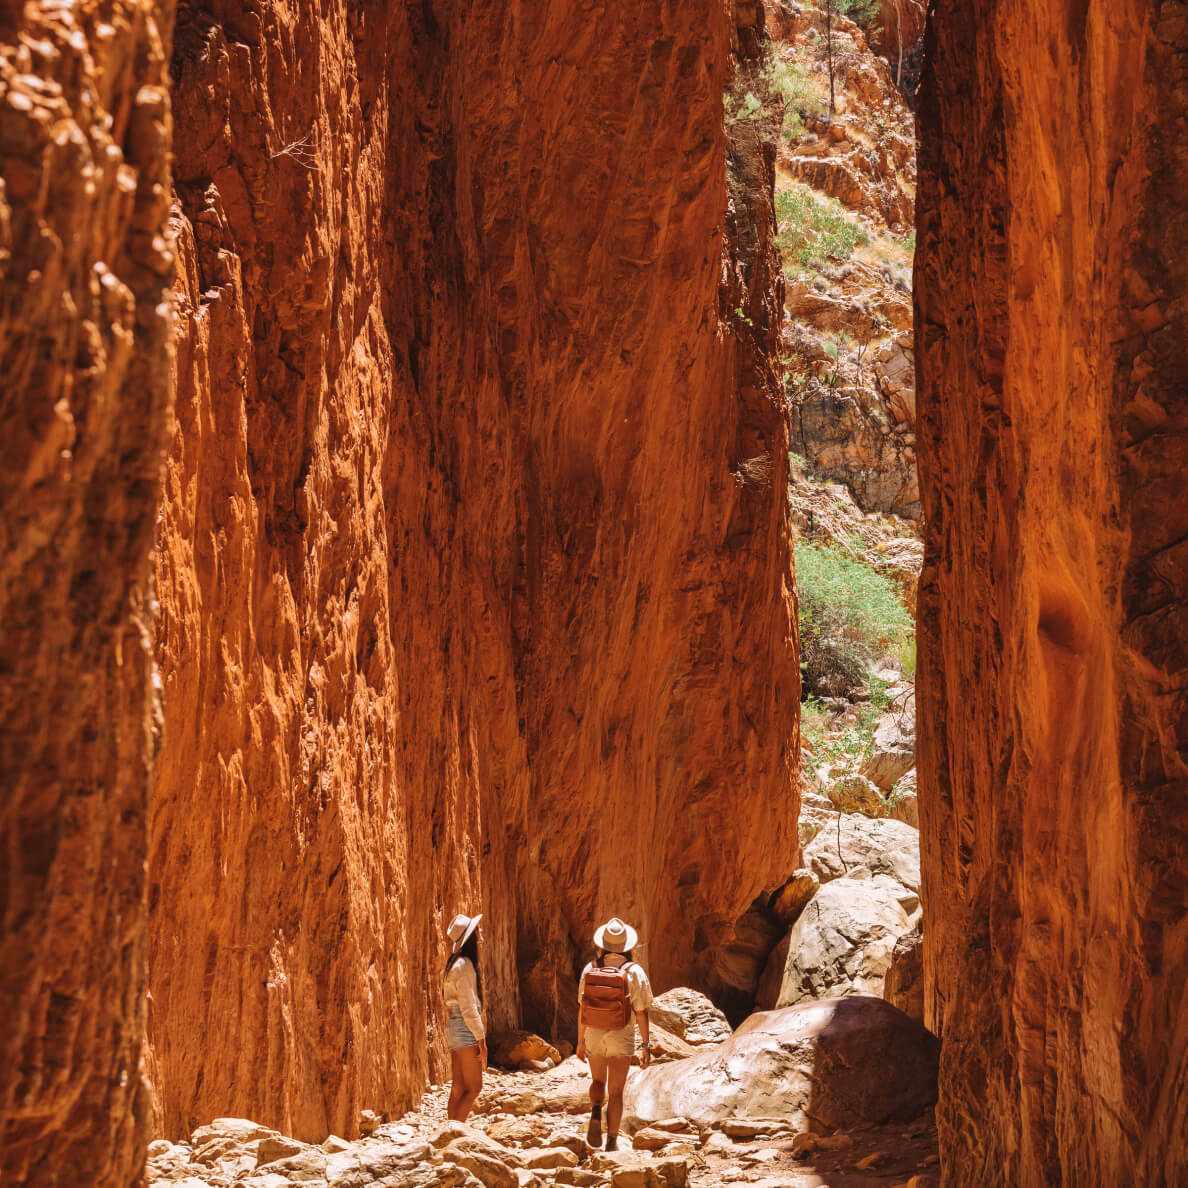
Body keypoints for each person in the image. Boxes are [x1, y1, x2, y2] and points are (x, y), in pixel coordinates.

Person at [576, 917, 654, 1152]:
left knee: (598, 1081)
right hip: (621, 1034)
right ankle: (611, 1140)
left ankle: (595, 1110)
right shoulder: (634, 971)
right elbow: (641, 1012)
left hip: (594, 1033)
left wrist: (580, 1041)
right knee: (617, 1091)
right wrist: (646, 1045)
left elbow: (582, 1007)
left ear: (602, 944)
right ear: (627, 947)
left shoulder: (591, 968)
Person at [443, 912, 487, 1120]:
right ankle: (455, 1130)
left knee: (458, 1086)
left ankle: (448, 1134)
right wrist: (481, 1039)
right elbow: (469, 1006)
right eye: (476, 931)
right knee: (474, 1087)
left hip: (453, 1025)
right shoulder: (466, 965)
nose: (480, 933)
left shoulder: (453, 963)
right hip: (464, 1026)